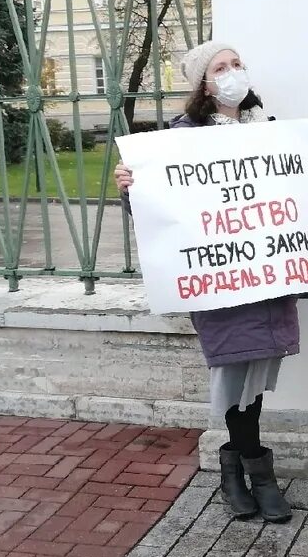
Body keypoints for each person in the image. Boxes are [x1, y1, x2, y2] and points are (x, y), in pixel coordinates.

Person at [114, 41, 294, 524]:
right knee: (235, 370)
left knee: (257, 373)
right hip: (220, 278)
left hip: (263, 275)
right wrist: (133, 187)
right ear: (203, 84)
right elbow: (155, 211)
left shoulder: (269, 131)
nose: (233, 72)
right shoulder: (180, 139)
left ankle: (238, 465)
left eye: (238, 63)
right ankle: (253, 472)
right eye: (221, 67)